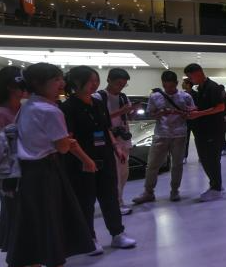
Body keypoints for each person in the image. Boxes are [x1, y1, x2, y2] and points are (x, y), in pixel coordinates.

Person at [6, 63, 96, 267]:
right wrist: (70, 144)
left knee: (32, 225)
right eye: (56, 80)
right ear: (39, 83)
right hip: (45, 171)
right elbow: (62, 147)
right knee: (53, 224)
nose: (61, 84)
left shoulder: (28, 106)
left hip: (28, 172)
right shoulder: (50, 111)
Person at [0, 66, 47, 267]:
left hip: (29, 171)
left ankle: (30, 264)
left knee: (30, 218)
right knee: (18, 219)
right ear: (10, 86)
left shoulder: (24, 109)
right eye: (21, 85)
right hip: (10, 175)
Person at [62, 66, 137, 253]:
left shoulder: (97, 103)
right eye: (90, 81)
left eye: (96, 80)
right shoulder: (68, 107)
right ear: (77, 82)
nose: (94, 84)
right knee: (86, 201)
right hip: (82, 160)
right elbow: (69, 138)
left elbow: (105, 128)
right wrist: (86, 159)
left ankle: (117, 233)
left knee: (110, 196)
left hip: (105, 155)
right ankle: (90, 238)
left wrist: (116, 147)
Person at [133, 71, 196, 203]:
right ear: (162, 83)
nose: (169, 89)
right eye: (166, 86)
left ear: (177, 83)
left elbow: (192, 114)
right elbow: (151, 114)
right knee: (152, 165)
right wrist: (160, 113)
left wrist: (181, 113)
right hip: (161, 134)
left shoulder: (185, 97)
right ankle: (148, 192)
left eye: (172, 86)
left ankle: (175, 191)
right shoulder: (155, 96)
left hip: (179, 135)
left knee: (177, 165)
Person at [184, 63, 226, 201]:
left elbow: (220, 107)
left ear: (198, 73)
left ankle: (216, 188)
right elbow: (204, 106)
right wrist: (194, 111)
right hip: (202, 131)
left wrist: (199, 114)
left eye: (190, 76)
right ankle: (216, 185)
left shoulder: (213, 87)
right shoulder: (200, 88)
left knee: (211, 160)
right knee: (205, 159)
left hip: (212, 131)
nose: (190, 80)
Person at [96, 68, 134, 215]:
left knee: (123, 173)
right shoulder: (99, 97)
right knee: (114, 174)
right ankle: (115, 204)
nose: (121, 87)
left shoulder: (123, 97)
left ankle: (119, 200)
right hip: (109, 140)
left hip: (123, 138)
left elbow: (127, 117)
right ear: (108, 80)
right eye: (118, 84)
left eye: (124, 85)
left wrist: (130, 113)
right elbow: (100, 120)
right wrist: (120, 112)